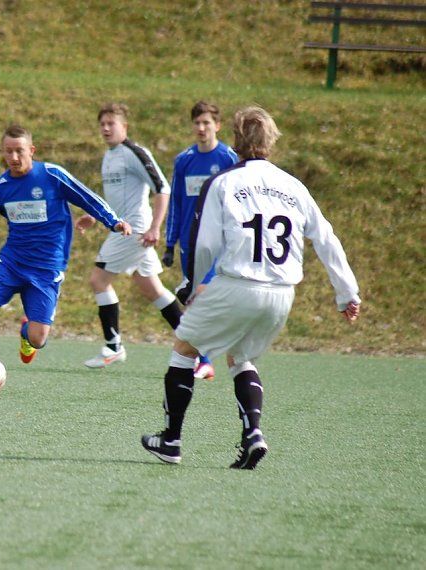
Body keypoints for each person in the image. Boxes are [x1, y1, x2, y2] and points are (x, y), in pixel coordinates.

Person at [141, 106, 361, 470]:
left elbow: (205, 244)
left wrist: (192, 287)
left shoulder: (224, 182)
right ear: (272, 141)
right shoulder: (294, 186)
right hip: (281, 294)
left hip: (237, 284)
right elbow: (326, 238)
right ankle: (253, 434)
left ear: (237, 141)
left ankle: (171, 440)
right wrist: (347, 294)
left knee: (184, 347)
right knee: (240, 357)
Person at [0, 124, 131, 392]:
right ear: (3, 152)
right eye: (8, 152)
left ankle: (25, 333)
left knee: (38, 338)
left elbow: (87, 197)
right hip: (11, 263)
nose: (14, 158)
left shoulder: (52, 175)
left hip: (47, 269)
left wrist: (113, 221)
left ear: (32, 150)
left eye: (19, 151)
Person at [75, 103, 181, 369]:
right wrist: (96, 217)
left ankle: (113, 346)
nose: (106, 128)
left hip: (135, 229)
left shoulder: (134, 152)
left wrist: (156, 227)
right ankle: (196, 345)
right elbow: (117, 200)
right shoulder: (109, 156)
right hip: (123, 227)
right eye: (102, 124)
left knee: (98, 279)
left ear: (125, 127)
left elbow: (162, 187)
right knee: (151, 288)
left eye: (112, 123)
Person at [163, 101, 240, 380]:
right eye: (197, 123)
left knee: (212, 295)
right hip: (190, 243)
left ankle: (226, 353)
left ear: (217, 126)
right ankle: (204, 360)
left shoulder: (229, 158)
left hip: (220, 242)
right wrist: (170, 243)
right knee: (194, 297)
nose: (201, 128)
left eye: (206, 122)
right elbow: (177, 204)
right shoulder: (184, 160)